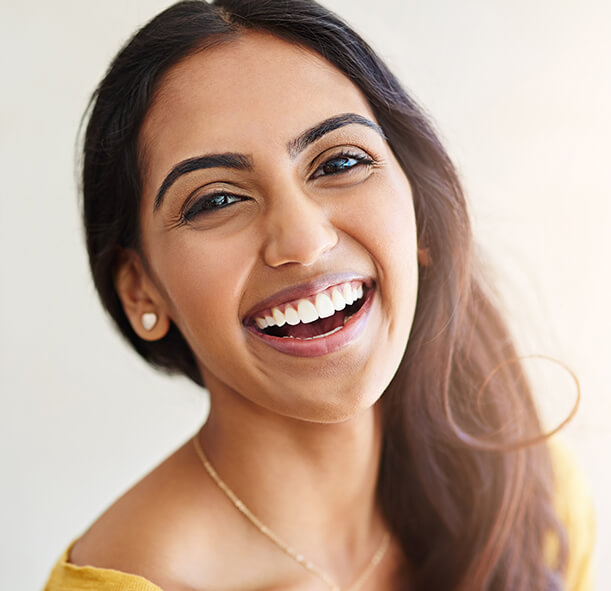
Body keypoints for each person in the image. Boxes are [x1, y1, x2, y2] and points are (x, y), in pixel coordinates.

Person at [43, 1, 595, 589]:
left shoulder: (529, 492)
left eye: (341, 161)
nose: (303, 241)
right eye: (217, 200)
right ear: (139, 289)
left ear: (421, 219)